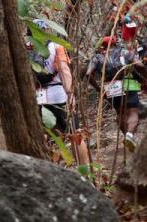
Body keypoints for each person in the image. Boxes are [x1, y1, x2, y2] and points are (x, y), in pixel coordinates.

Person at [25, 22, 89, 165]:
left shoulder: (24, 50)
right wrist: (70, 93)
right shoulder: (55, 46)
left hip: (36, 98)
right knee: (75, 133)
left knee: (42, 135)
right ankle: (84, 170)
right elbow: (64, 70)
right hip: (58, 95)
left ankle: (47, 168)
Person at [86, 35, 145, 150]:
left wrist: (100, 90)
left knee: (120, 113)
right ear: (115, 43)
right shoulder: (125, 52)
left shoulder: (97, 57)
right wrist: (143, 77)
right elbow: (139, 65)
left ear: (102, 46)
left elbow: (88, 74)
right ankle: (129, 135)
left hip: (110, 87)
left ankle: (127, 137)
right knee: (133, 111)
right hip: (127, 83)